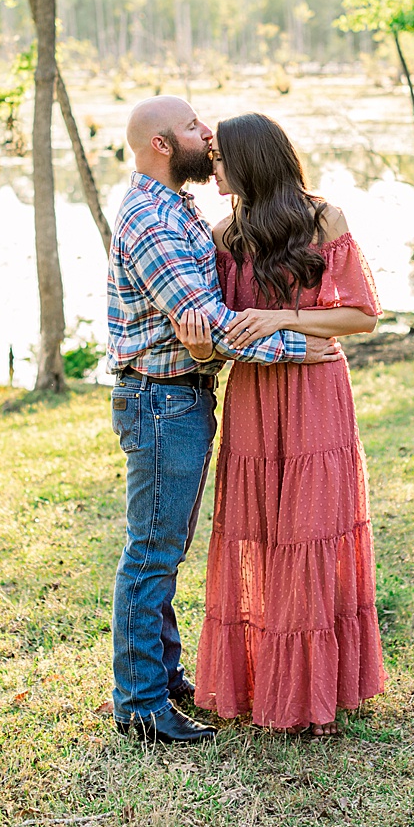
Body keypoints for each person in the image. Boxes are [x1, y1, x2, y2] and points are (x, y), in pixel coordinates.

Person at [107, 96, 346, 746]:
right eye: (190, 127)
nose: (205, 133)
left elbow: (209, 328)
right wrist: (301, 344)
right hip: (161, 400)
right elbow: (208, 323)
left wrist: (226, 341)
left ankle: (162, 675)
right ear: (161, 144)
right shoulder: (152, 218)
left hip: (183, 395)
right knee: (152, 554)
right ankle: (139, 706)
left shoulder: (180, 206)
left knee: (165, 549)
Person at [172, 111, 387, 736]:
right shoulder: (222, 235)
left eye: (219, 159)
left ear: (250, 161)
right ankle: (267, 681)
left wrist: (279, 319)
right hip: (254, 399)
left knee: (312, 532)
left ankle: (317, 691)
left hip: (317, 391)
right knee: (261, 533)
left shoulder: (325, 219)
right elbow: (216, 337)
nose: (211, 168)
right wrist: (202, 345)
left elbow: (361, 317)